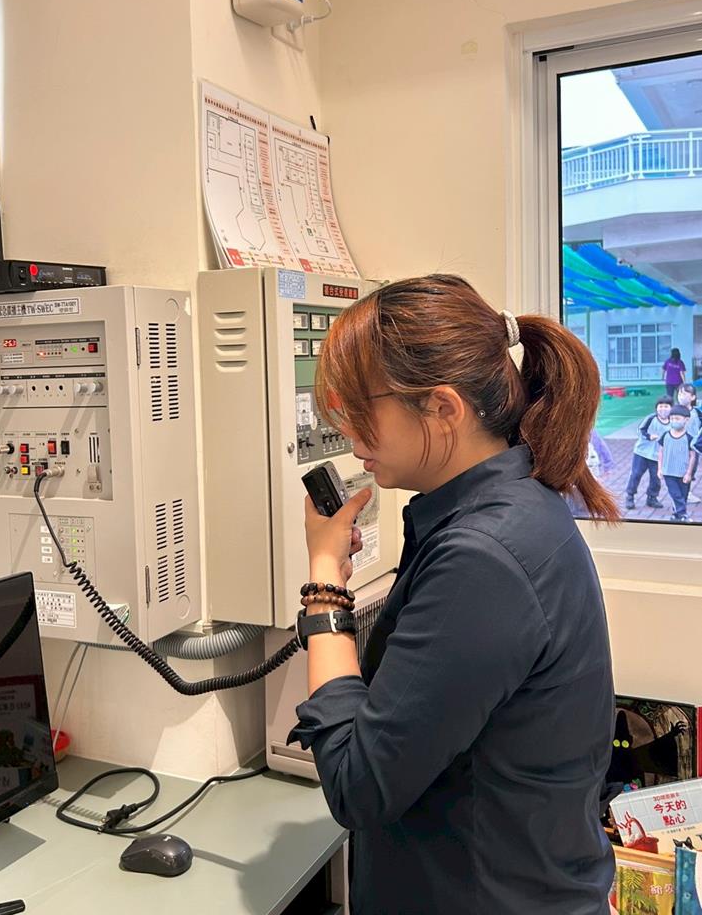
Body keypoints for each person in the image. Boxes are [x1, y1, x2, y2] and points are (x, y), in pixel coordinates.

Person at [288, 274, 618, 915]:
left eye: (361, 412)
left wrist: (325, 584)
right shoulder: (516, 506)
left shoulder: (482, 559)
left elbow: (358, 786)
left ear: (443, 408)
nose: (351, 439)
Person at [624, 397, 671, 511]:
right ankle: (630, 496)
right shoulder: (651, 418)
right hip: (642, 453)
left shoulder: (672, 421)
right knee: (636, 474)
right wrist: (649, 436)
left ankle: (652, 497)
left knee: (656, 478)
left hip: (657, 456)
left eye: (666, 406)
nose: (663, 409)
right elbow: (640, 430)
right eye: (660, 406)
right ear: (656, 408)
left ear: (671, 408)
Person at [658, 405, 695, 522]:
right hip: (668, 472)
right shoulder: (665, 436)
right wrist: (659, 468)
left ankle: (676, 514)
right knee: (675, 494)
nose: (674, 421)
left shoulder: (689, 438)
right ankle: (683, 514)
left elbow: (692, 456)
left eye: (677, 419)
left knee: (683, 495)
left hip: (683, 472)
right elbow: (660, 452)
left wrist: (689, 473)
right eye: (672, 418)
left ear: (686, 420)